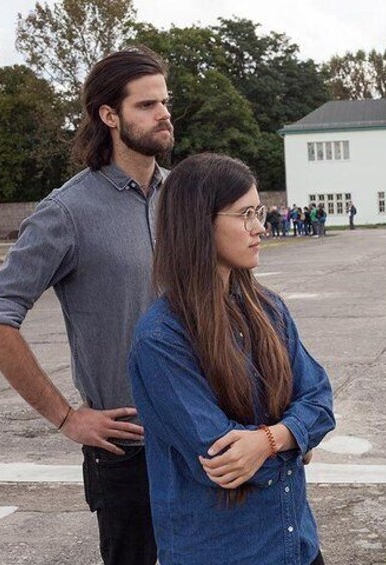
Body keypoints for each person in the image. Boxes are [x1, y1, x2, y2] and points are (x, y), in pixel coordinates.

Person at [0, 47, 173, 565]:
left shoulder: (183, 197)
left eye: (165, 102)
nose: (163, 114)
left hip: (203, 436)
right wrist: (67, 417)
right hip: (127, 452)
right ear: (108, 116)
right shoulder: (66, 211)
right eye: (146, 105)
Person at [129, 153, 335, 564]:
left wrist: (272, 440)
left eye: (258, 212)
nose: (260, 227)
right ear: (199, 223)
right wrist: (298, 439)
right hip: (223, 552)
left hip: (296, 547)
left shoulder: (269, 308)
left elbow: (321, 400)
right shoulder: (161, 338)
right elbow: (226, 461)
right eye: (245, 215)